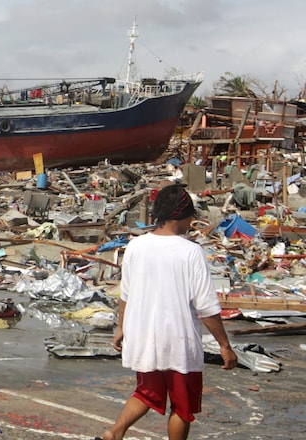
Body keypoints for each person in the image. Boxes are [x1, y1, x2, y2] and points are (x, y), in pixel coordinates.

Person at [99, 184, 237, 440]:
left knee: (146, 392)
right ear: (183, 215)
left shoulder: (136, 247)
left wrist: (121, 328)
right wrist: (225, 345)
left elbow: (125, 294)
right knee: (182, 408)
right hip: (178, 343)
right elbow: (206, 306)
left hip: (143, 337)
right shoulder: (191, 252)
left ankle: (115, 432)